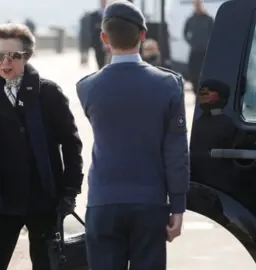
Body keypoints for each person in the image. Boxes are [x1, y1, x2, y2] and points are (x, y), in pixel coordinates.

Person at [76, 1, 190, 270]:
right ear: (143, 35)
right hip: (149, 202)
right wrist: (178, 205)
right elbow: (176, 151)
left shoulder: (87, 87)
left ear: (104, 38)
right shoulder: (169, 84)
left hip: (103, 201)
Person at [0, 23, 83, 270]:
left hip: (42, 198)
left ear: (28, 56)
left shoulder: (49, 93)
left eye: (14, 56)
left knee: (45, 264)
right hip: (3, 199)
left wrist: (70, 191)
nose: (5, 62)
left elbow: (71, 144)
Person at [183, 0, 214, 93]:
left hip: (205, 51)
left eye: (199, 4)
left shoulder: (208, 19)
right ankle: (196, 92)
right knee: (193, 72)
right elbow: (185, 33)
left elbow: (214, 32)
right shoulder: (191, 19)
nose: (197, 6)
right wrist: (191, 42)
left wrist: (208, 43)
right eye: (196, 4)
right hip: (195, 50)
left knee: (206, 72)